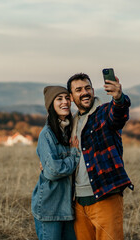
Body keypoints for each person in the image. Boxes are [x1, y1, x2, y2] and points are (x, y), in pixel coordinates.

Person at [67, 73, 133, 240]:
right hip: (79, 202)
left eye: (88, 88)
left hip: (106, 195)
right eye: (79, 90)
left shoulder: (104, 113)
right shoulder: (71, 124)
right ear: (71, 97)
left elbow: (118, 115)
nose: (85, 92)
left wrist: (118, 98)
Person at [31, 86, 80, 240]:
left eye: (67, 98)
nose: (65, 102)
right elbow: (53, 171)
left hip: (69, 208)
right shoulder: (47, 135)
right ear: (51, 104)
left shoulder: (72, 130)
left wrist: (61, 164)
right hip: (49, 206)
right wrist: (73, 156)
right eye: (59, 99)